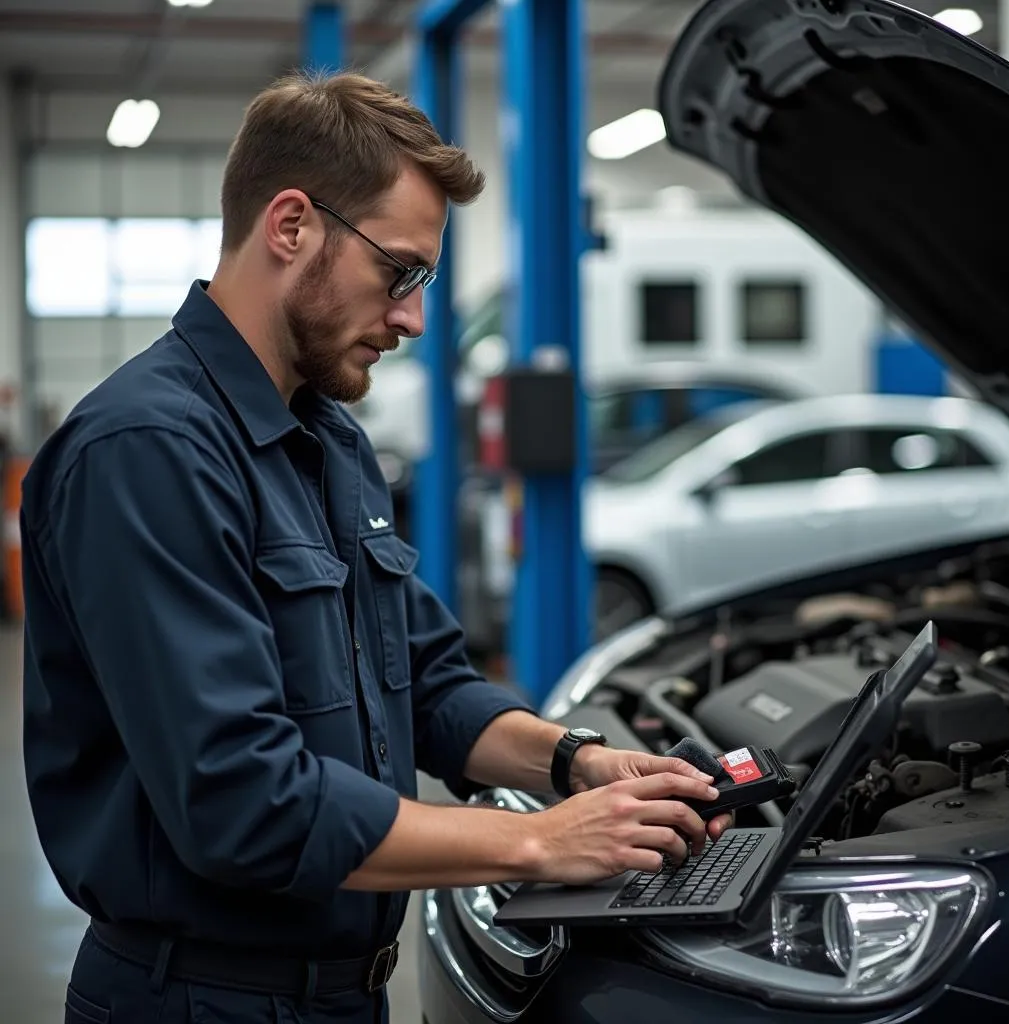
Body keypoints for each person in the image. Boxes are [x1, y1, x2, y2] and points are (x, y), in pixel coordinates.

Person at [20, 71, 732, 1024]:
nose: (412, 317)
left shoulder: (330, 440)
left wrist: (577, 763)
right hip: (200, 999)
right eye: (399, 272)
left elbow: (432, 686)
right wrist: (538, 844)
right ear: (290, 227)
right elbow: (243, 803)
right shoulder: (147, 453)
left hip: (344, 994)